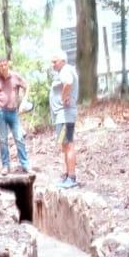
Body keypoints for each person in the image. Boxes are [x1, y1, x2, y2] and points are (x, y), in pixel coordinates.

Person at [0, 56, 29, 173]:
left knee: (19, 138)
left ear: (8, 64)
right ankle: (5, 165)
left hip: (13, 112)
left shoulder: (15, 76)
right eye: (1, 65)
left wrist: (24, 101)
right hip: (0, 112)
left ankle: (25, 164)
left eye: (5, 65)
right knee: (3, 140)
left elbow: (27, 86)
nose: (3, 67)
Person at [48, 51, 78, 188]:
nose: (52, 64)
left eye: (55, 61)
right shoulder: (63, 71)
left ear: (62, 61)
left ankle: (71, 177)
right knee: (64, 145)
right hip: (61, 116)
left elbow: (69, 83)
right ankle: (66, 174)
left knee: (68, 144)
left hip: (65, 115)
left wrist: (64, 96)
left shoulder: (66, 70)